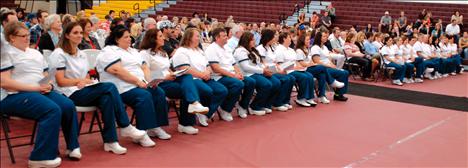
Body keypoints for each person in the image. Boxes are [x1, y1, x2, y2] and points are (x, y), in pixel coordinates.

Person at [52, 21, 146, 155]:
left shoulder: (81, 54)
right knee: (110, 87)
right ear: (66, 35)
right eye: (75, 33)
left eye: (80, 32)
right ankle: (125, 125)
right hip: (67, 93)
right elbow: (60, 82)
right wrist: (81, 81)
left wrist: (87, 82)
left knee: (106, 98)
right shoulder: (59, 53)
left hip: (81, 90)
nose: (79, 35)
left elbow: (85, 77)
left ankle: (111, 142)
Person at [1, 22, 79, 167]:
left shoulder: (35, 52)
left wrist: (47, 84)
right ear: (11, 38)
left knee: (68, 105)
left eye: (28, 35)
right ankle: (39, 157)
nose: (27, 38)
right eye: (23, 36)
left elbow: (43, 74)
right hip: (12, 95)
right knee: (51, 109)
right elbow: (5, 83)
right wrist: (34, 88)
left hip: (37, 91)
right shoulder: (6, 53)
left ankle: (72, 146)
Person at [96, 25, 165, 147]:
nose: (129, 39)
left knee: (158, 92)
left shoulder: (133, 51)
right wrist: (138, 82)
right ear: (117, 39)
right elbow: (116, 70)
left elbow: (144, 67)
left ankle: (154, 126)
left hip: (139, 84)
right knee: (143, 96)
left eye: (130, 36)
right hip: (121, 88)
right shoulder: (109, 51)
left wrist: (150, 81)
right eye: (126, 37)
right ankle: (142, 133)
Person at [139, 28, 209, 134]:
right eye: (160, 36)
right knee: (187, 90)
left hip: (168, 80)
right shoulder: (145, 53)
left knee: (187, 78)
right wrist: (164, 77)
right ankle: (187, 118)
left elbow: (166, 68)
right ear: (153, 39)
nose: (163, 38)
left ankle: (189, 114)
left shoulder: (162, 53)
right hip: (158, 83)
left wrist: (171, 73)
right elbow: (146, 73)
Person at [170, 28, 228, 127]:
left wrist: (207, 72)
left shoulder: (199, 50)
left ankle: (205, 114)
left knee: (222, 90)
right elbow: (185, 68)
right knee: (207, 91)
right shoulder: (182, 51)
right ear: (189, 38)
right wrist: (202, 75)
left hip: (204, 77)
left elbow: (208, 65)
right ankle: (201, 110)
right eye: (197, 36)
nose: (199, 38)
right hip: (192, 79)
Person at [206, 27, 253, 120]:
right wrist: (233, 75)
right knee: (238, 84)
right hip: (219, 76)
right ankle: (225, 109)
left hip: (231, 74)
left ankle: (242, 106)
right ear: (217, 38)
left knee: (250, 82)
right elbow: (215, 68)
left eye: (226, 35)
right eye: (224, 36)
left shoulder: (227, 47)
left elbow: (234, 63)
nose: (227, 37)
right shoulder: (211, 48)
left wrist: (238, 73)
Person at [234, 31, 274, 115]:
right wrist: (262, 71)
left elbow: (258, 64)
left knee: (274, 82)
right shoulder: (240, 51)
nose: (254, 42)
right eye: (252, 40)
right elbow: (246, 67)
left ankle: (263, 104)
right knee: (266, 84)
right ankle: (253, 106)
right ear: (246, 40)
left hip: (255, 72)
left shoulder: (251, 50)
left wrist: (265, 69)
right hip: (246, 74)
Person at [276, 32, 318, 107]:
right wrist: (295, 67)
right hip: (287, 71)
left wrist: (300, 67)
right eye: (289, 37)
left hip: (295, 69)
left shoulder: (291, 50)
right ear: (284, 39)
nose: (291, 39)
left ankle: (309, 97)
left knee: (309, 75)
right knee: (304, 77)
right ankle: (301, 98)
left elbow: (296, 62)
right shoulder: (279, 49)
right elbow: (280, 64)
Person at [256, 29, 292, 112]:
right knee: (283, 80)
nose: (275, 39)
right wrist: (278, 71)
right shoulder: (260, 48)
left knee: (290, 78)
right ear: (269, 38)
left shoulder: (271, 47)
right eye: (273, 37)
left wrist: (280, 68)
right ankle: (276, 103)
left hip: (274, 69)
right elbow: (263, 64)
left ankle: (282, 101)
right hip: (267, 71)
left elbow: (275, 62)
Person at [310, 31, 349, 101]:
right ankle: (332, 82)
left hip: (328, 67)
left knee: (345, 72)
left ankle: (338, 94)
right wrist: (329, 66)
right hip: (322, 68)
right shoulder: (315, 47)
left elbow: (328, 59)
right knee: (341, 73)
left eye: (326, 36)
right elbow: (317, 61)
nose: (326, 38)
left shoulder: (325, 47)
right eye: (324, 36)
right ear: (319, 37)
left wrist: (333, 66)